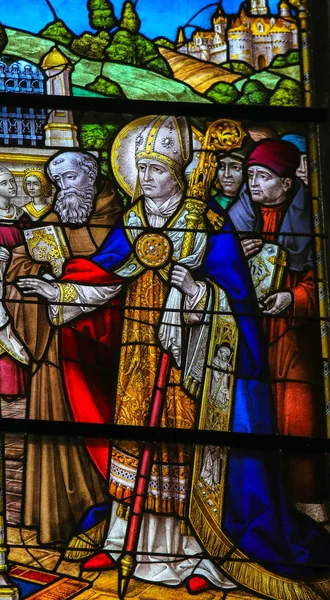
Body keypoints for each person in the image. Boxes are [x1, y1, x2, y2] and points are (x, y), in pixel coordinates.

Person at [14, 117, 330, 599]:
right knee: (134, 431)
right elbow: (108, 277)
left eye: (155, 169)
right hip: (138, 346)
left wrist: (198, 292)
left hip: (194, 356)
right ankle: (127, 542)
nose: (145, 177)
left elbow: (237, 296)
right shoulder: (135, 216)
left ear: (178, 173)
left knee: (182, 443)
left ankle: (199, 550)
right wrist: (55, 289)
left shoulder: (208, 222)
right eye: (140, 168)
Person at [1, 150, 122, 544]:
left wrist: (68, 281)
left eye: (68, 179)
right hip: (54, 348)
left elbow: (124, 275)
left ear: (92, 176)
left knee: (101, 421)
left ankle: (112, 507)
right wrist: (39, 274)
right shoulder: (56, 214)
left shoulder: (119, 219)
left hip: (101, 347)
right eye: (56, 182)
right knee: (58, 426)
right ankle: (68, 515)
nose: (62, 190)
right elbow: (21, 260)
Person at [229, 139, 328, 520]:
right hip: (246, 339)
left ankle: (304, 505)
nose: (253, 183)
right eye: (250, 175)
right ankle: (258, 505)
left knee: (298, 418)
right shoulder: (238, 222)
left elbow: (319, 281)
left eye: (264, 176)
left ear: (287, 184)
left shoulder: (312, 223)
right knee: (250, 417)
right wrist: (234, 256)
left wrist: (293, 299)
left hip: (294, 340)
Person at [0, 166, 28, 400]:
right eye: (4, 183)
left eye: (11, 182)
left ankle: (15, 388)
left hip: (19, 283)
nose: (12, 186)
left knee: (19, 329)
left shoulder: (22, 216)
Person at [213, 140, 253, 210]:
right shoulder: (209, 203)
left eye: (235, 167)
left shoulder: (254, 208)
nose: (226, 175)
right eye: (221, 166)